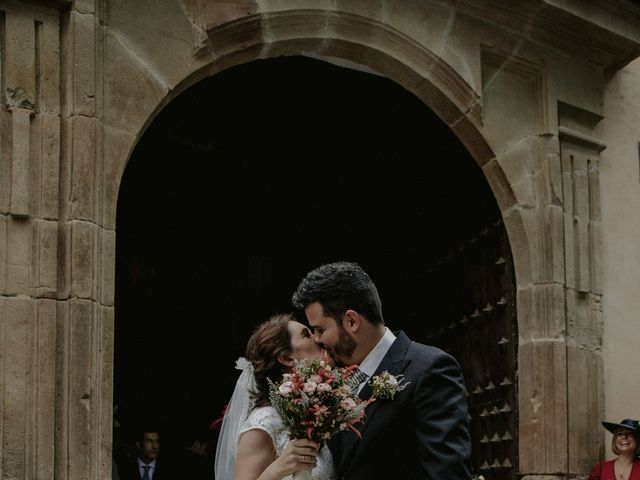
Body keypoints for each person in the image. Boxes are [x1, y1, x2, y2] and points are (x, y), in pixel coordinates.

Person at [291, 261, 472, 480]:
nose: (317, 340)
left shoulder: (428, 369)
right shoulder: (335, 382)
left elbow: (447, 475)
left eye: (320, 329)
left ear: (351, 321)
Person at [214, 313, 336, 480]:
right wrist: (278, 469)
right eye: (307, 334)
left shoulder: (313, 414)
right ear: (286, 358)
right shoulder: (264, 421)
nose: (318, 338)